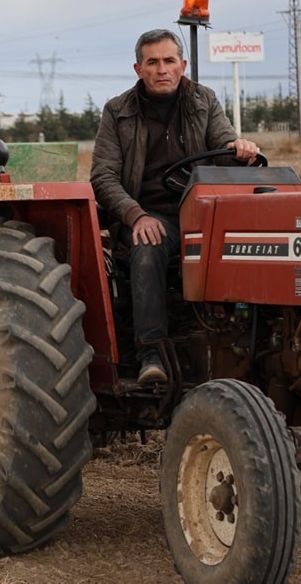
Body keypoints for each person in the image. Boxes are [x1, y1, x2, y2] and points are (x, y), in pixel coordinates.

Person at [90, 28, 259, 385]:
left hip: (198, 213)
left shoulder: (204, 101)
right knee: (148, 241)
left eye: (169, 61)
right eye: (153, 62)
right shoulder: (117, 112)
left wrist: (240, 150)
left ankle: (244, 345)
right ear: (138, 69)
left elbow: (225, 146)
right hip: (147, 215)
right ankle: (151, 353)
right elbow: (103, 178)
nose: (161, 69)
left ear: (182, 65)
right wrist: (135, 215)